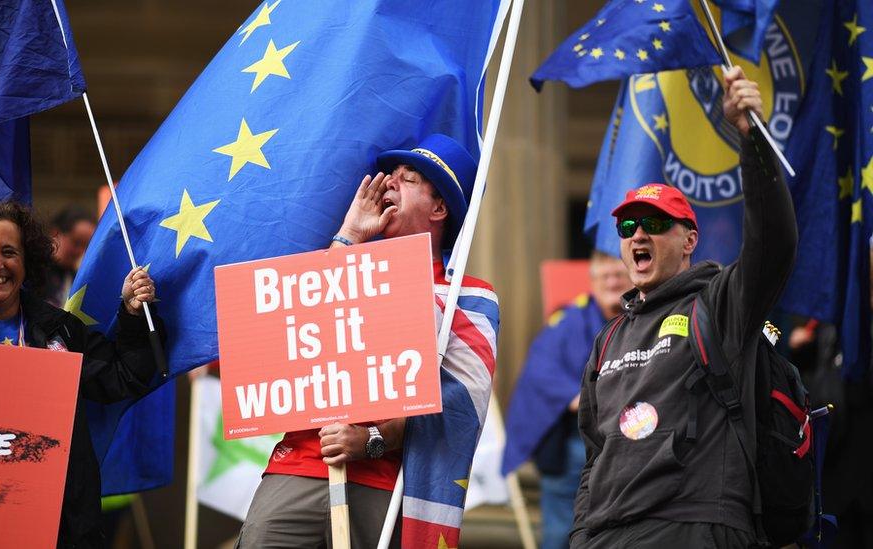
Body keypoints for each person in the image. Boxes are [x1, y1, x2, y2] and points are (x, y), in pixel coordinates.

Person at [571, 66, 797, 548]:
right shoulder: (607, 338)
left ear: (690, 238)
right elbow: (595, 456)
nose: (637, 234)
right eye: (628, 226)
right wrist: (581, 536)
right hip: (607, 536)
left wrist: (751, 139)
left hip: (693, 524)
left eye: (654, 222)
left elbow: (773, 242)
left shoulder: (719, 304)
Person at [237, 134, 498, 548]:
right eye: (389, 176)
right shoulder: (340, 258)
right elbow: (286, 344)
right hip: (299, 466)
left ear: (439, 208)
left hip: (385, 486)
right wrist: (348, 235)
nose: (388, 183)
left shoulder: (465, 301)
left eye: (407, 179)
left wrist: (372, 441)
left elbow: (454, 410)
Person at [0, 200, 163, 548]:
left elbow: (123, 376)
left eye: (10, 252)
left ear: (27, 261)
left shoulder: (61, 330)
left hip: (54, 529)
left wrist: (131, 314)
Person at [502, 251, 631, 549]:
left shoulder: (644, 320)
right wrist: (584, 400)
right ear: (592, 280)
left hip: (630, 442)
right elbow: (540, 373)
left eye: (618, 276)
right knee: (561, 532)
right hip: (574, 442)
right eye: (605, 276)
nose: (612, 282)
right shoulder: (569, 321)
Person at [45, 205, 97, 308]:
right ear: (55, 233)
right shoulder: (32, 273)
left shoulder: (77, 280)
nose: (80, 251)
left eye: (86, 246)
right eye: (76, 243)